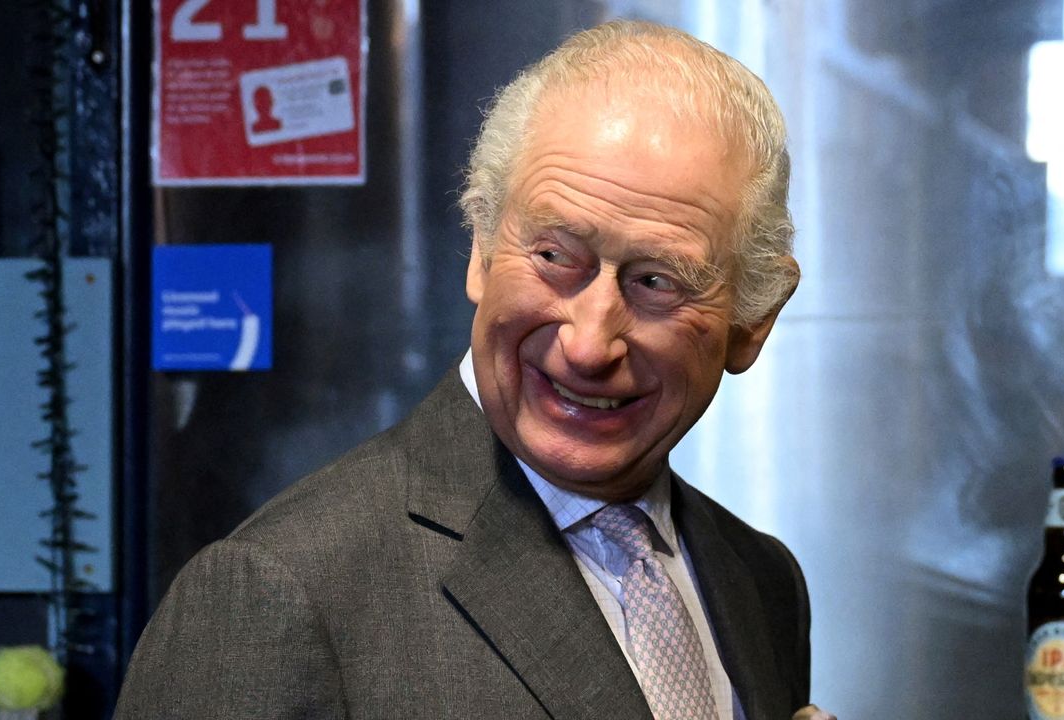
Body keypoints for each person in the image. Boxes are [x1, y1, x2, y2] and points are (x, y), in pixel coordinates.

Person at [116, 20, 831, 720]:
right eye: (554, 257)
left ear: (752, 321)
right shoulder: (278, 593)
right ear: (482, 251)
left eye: (658, 282)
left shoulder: (760, 581)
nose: (588, 345)